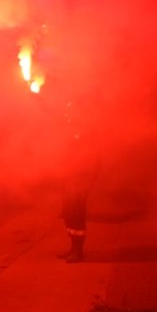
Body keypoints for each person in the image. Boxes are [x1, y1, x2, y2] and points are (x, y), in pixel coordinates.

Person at [59, 100, 97, 262]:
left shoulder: (86, 131)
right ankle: (72, 246)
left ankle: (78, 251)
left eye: (71, 111)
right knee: (68, 213)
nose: (67, 114)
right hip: (69, 179)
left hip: (79, 180)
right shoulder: (70, 129)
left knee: (76, 216)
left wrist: (87, 182)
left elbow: (93, 159)